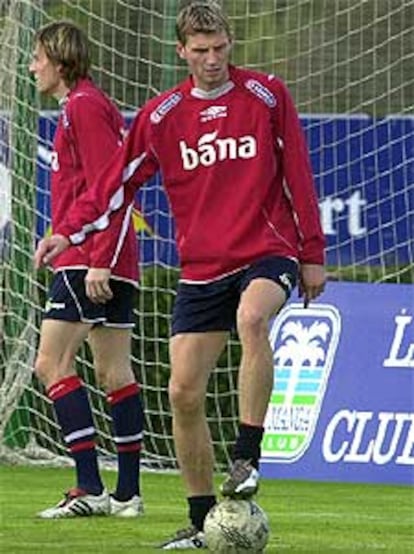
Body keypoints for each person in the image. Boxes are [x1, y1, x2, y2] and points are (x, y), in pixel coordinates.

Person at [34, 1, 326, 547]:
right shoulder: (161, 115)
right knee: (183, 393)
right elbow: (114, 186)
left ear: (230, 43)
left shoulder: (266, 94)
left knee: (254, 318)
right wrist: (70, 232)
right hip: (201, 269)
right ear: (181, 52)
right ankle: (199, 521)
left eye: (220, 48)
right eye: (200, 51)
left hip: (267, 250)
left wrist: (312, 251)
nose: (212, 60)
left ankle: (247, 454)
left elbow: (298, 172)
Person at [29, 20, 144, 519]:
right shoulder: (83, 107)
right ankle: (127, 495)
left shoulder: (83, 107)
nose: (31, 66)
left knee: (50, 364)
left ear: (58, 59)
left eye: (36, 57)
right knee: (113, 371)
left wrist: (98, 258)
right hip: (108, 256)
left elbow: (110, 186)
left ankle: (89, 486)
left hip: (89, 259)